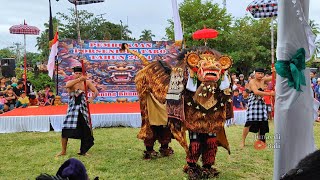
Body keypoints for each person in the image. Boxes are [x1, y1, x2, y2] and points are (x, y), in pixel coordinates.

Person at [56, 66, 99, 157]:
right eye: (77, 73)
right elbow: (67, 86)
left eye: (80, 73)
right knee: (66, 129)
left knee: (85, 130)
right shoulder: (70, 82)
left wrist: (91, 98)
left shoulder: (87, 82)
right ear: (74, 74)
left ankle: (83, 151)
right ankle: (63, 151)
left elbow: (96, 91)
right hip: (72, 109)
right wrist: (79, 79)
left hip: (83, 109)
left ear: (83, 74)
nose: (78, 75)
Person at [240, 68, 275, 148]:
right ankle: (242, 140)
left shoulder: (263, 80)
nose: (260, 75)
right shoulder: (252, 81)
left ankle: (261, 140)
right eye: (258, 73)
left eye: (262, 74)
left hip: (261, 104)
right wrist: (270, 94)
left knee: (262, 123)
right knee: (249, 122)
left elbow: (273, 77)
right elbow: (256, 92)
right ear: (255, 74)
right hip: (253, 103)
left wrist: (274, 71)